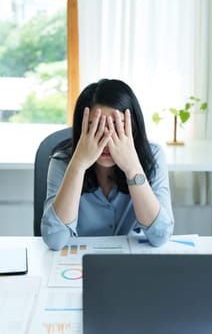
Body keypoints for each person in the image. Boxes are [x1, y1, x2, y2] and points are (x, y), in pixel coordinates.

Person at [41, 79, 174, 250]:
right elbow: (55, 240)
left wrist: (132, 168)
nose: (106, 139)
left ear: (132, 128)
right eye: (95, 127)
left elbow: (160, 236)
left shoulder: (153, 155)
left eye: (117, 127)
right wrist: (78, 165)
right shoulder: (62, 161)